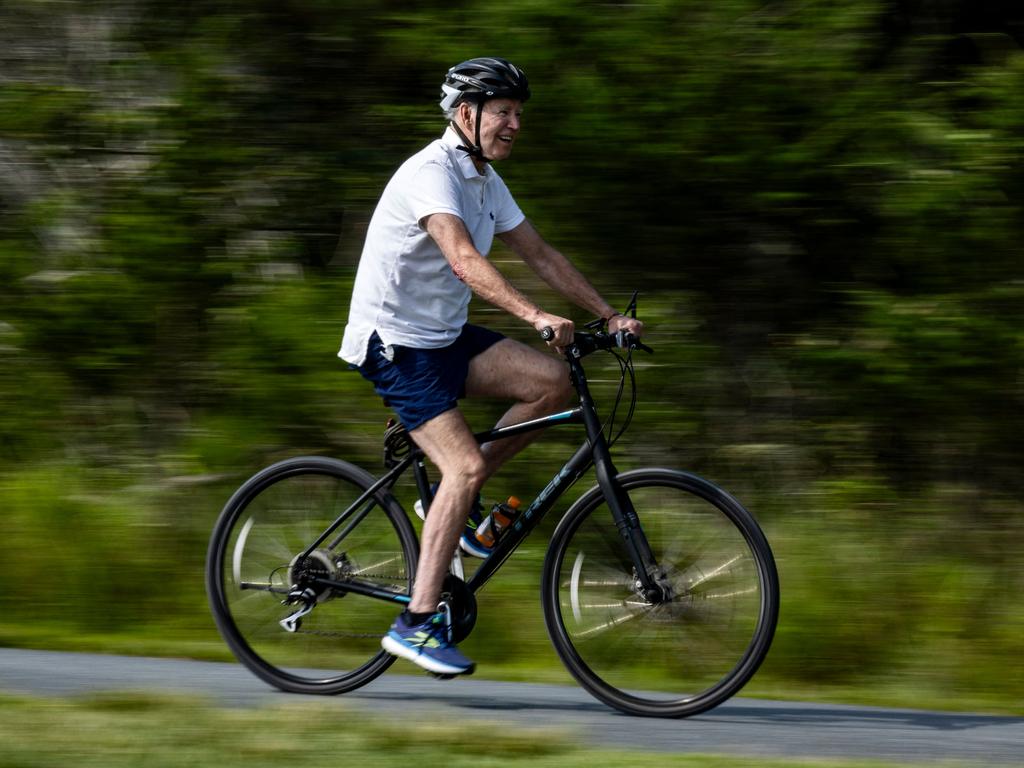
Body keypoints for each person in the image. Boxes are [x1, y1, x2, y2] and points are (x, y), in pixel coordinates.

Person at [338, 57, 643, 677]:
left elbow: (539, 253)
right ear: (467, 114)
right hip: (393, 343)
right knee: (466, 465)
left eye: (519, 114)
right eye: (503, 112)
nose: (515, 124)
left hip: (443, 336)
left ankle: (450, 506)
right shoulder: (431, 174)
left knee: (552, 383)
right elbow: (462, 260)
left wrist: (607, 314)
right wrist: (535, 316)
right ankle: (414, 624)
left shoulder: (483, 178)